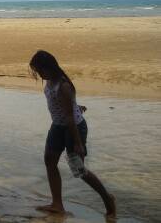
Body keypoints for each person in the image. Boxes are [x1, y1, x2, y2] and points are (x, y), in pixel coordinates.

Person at [29, 50, 116, 217]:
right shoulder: (50, 81)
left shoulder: (63, 86)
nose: (39, 74)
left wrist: (77, 142)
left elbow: (69, 117)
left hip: (73, 128)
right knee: (49, 160)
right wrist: (77, 107)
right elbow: (66, 107)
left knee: (79, 170)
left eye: (40, 70)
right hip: (58, 125)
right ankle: (57, 204)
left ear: (50, 67)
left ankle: (107, 198)